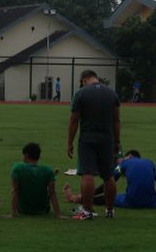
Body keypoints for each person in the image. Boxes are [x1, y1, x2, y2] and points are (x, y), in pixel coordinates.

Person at [67, 69, 121, 220]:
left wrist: (69, 142)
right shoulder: (112, 94)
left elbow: (74, 120)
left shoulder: (81, 93)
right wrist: (117, 141)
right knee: (108, 176)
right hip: (107, 138)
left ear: (84, 80)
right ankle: (110, 210)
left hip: (88, 138)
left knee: (87, 173)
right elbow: (116, 120)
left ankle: (88, 211)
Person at [64, 150, 156, 209]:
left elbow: (108, 184)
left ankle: (76, 198)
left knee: (106, 198)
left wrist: (89, 193)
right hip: (152, 202)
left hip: (131, 201)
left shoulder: (124, 164)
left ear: (129, 156)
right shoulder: (150, 163)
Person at [9, 142, 62, 218]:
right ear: (39, 156)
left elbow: (15, 190)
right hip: (43, 210)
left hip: (23, 210)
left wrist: (13, 214)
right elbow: (52, 193)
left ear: (26, 155)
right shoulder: (47, 170)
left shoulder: (17, 168)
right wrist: (58, 214)